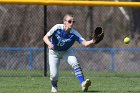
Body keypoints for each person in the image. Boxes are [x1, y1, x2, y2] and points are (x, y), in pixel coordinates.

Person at [43, 14, 94, 92]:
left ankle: (83, 83)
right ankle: (54, 86)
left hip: (66, 51)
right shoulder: (57, 27)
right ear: (64, 22)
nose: (72, 23)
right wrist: (49, 44)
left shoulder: (74, 33)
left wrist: (92, 41)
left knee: (75, 62)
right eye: (69, 21)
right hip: (54, 52)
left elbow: (85, 43)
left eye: (73, 22)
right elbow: (45, 37)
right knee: (54, 75)